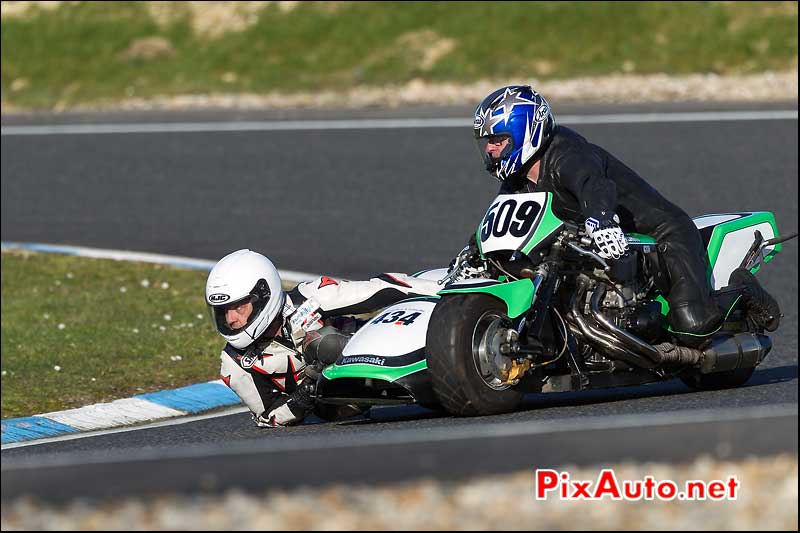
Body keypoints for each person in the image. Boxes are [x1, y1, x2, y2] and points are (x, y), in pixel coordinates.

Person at [465, 85, 725, 344]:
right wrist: (474, 251)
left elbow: (594, 185)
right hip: (598, 244)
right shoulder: (518, 179)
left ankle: (744, 295)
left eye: (498, 140)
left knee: (692, 326)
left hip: (662, 233)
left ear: (525, 133)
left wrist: (601, 219)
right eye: (488, 142)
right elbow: (503, 219)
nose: (489, 149)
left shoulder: (568, 154)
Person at [206, 249, 441, 427]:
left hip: (377, 343)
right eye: (223, 311)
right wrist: (303, 395)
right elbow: (268, 417)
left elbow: (379, 290)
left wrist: (443, 288)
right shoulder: (234, 363)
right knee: (324, 345)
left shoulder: (311, 296)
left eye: (238, 307)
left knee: (324, 341)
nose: (231, 320)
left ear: (262, 296)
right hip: (334, 405)